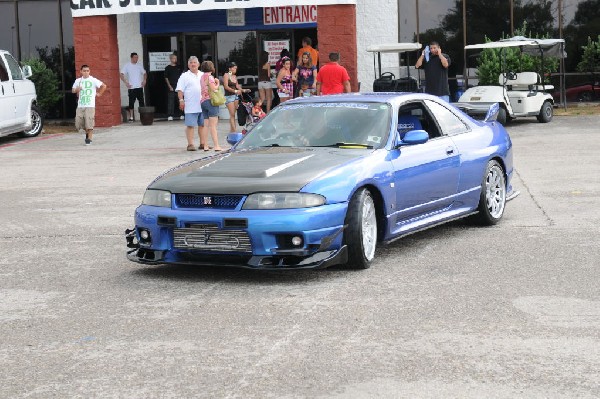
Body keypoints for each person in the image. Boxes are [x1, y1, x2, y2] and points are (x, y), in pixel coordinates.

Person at [72, 64, 107, 145]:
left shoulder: (93, 80)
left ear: (89, 71)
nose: (86, 72)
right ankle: (87, 132)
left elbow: (104, 86)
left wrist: (99, 94)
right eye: (84, 71)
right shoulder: (78, 81)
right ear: (81, 71)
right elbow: (73, 90)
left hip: (90, 105)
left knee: (89, 123)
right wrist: (77, 89)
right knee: (78, 123)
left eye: (87, 71)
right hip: (81, 105)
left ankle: (89, 139)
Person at [176, 56, 204, 151]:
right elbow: (180, 89)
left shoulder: (203, 74)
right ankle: (190, 144)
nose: (193, 64)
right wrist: (181, 100)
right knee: (190, 125)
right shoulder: (184, 76)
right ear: (188, 65)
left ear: (198, 64)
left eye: (194, 62)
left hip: (203, 105)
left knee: (203, 125)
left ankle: (203, 144)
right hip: (191, 106)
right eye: (191, 63)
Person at [200, 60, 223, 151]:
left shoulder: (202, 77)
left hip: (203, 101)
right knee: (213, 125)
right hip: (211, 101)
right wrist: (218, 83)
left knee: (206, 125)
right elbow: (214, 89)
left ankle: (205, 145)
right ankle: (216, 145)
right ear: (212, 68)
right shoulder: (210, 77)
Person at [222, 62, 250, 133]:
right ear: (229, 68)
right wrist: (235, 91)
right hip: (229, 96)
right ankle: (234, 131)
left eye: (236, 68)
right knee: (232, 114)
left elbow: (237, 86)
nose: (235, 70)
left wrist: (243, 90)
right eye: (234, 68)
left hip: (236, 96)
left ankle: (232, 130)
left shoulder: (234, 76)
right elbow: (226, 86)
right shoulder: (226, 75)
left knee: (234, 114)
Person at [120, 52, 147, 122]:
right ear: (131, 58)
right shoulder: (127, 66)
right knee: (131, 103)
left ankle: (142, 116)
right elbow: (121, 74)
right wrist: (126, 82)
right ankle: (131, 117)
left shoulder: (139, 65)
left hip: (139, 87)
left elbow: (144, 73)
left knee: (141, 102)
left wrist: (144, 80)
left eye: (137, 57)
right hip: (131, 87)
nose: (136, 59)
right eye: (135, 57)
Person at [164, 53, 183, 121]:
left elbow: (182, 77)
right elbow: (166, 78)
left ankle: (181, 114)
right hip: (171, 86)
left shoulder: (179, 67)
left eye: (175, 58)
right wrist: (169, 86)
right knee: (171, 101)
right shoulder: (167, 68)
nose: (174, 60)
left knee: (180, 100)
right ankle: (170, 115)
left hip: (179, 86)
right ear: (170, 59)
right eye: (173, 58)